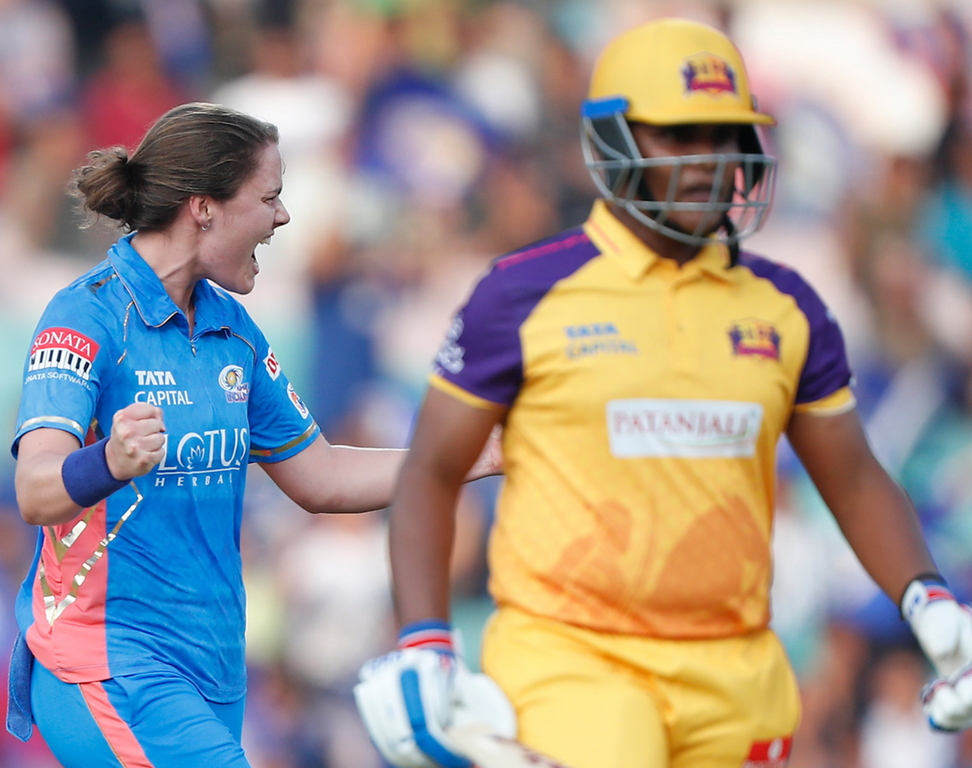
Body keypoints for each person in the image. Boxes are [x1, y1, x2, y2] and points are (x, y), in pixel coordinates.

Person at [353, 17, 972, 768]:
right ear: (611, 141)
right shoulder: (520, 294)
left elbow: (853, 474)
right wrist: (424, 638)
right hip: (573, 658)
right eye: (679, 136)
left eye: (724, 135)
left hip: (738, 672)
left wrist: (927, 599)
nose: (708, 159)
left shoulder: (788, 307)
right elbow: (430, 469)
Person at [6, 101, 498, 768]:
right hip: (108, 665)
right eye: (269, 198)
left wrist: (478, 452)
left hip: (212, 673)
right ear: (203, 208)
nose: (283, 216)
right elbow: (35, 490)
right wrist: (110, 461)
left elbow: (323, 476)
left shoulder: (232, 329)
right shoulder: (86, 316)